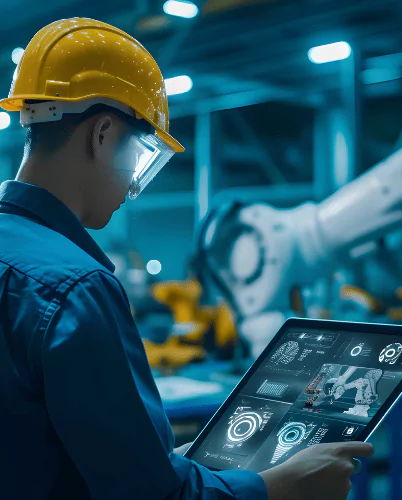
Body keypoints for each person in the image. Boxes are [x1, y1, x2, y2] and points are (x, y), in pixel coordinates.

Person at [0, 18, 373, 500]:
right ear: (102, 133)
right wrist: (281, 486)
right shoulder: (76, 288)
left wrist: (161, 464)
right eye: (140, 157)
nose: (132, 188)